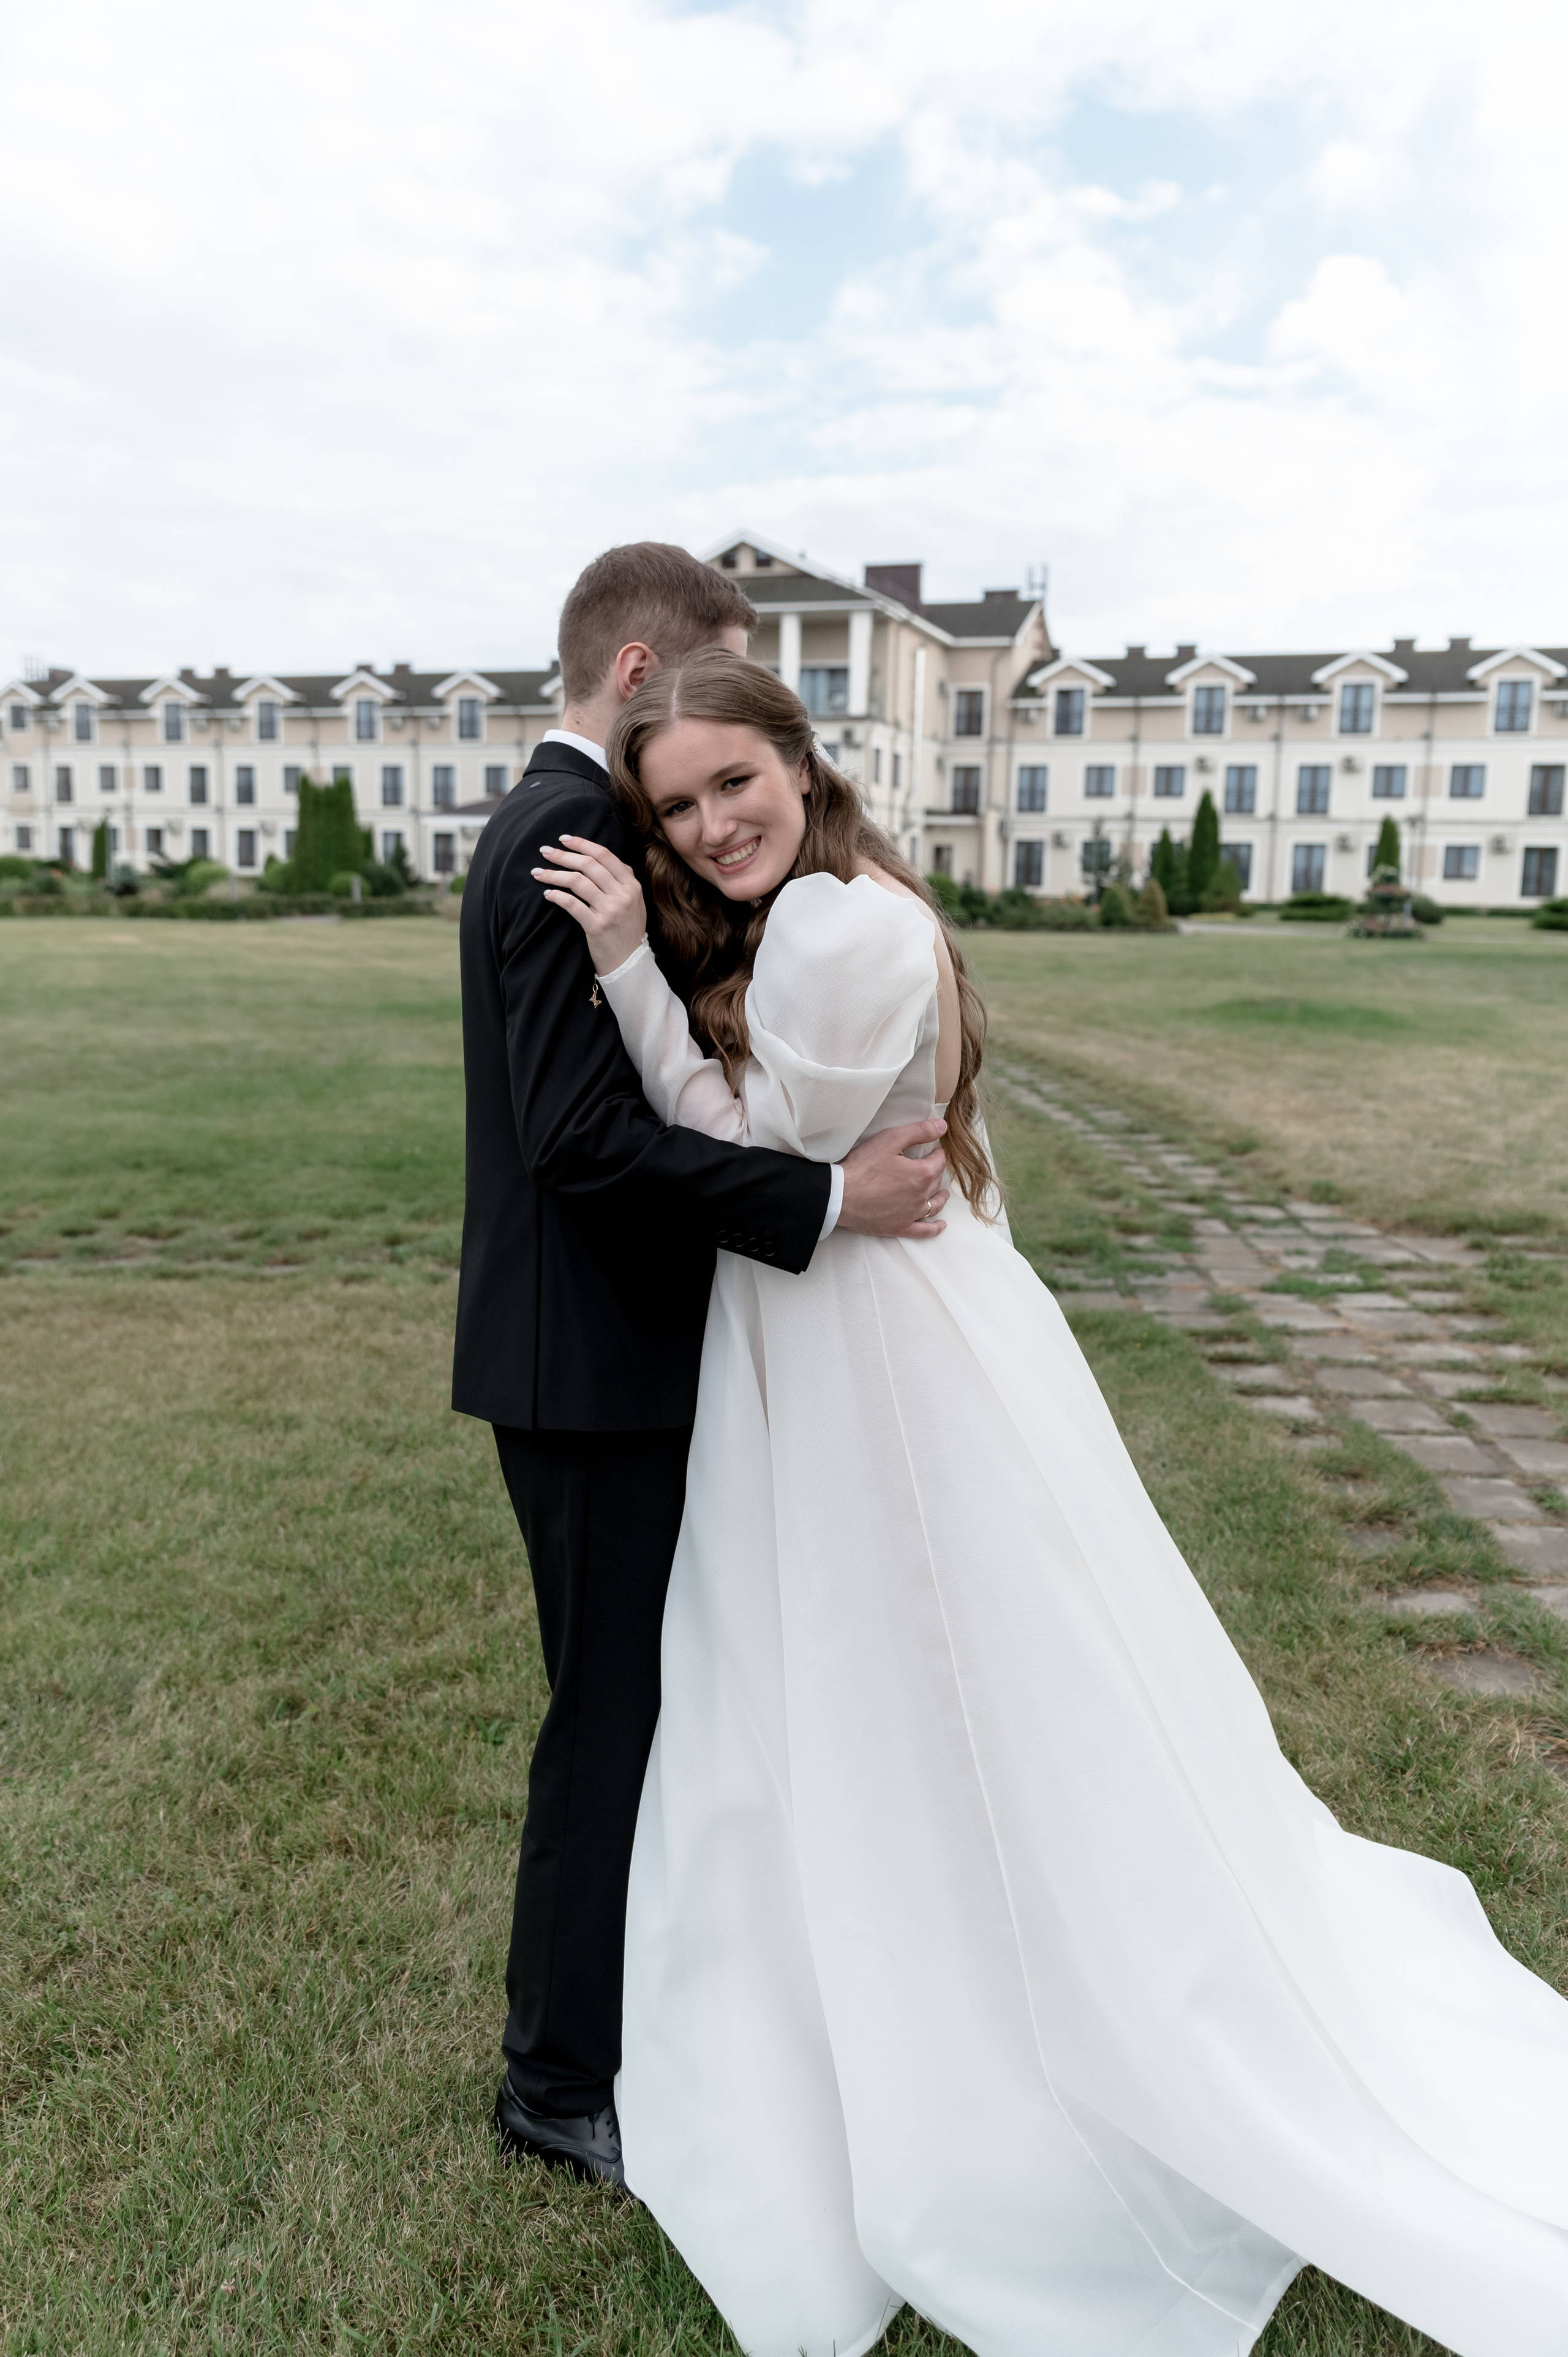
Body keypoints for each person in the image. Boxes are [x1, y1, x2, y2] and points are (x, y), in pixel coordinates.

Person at [534, 645, 1568, 2357]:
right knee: (886, 1673)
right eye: (677, 805)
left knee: (933, 1669)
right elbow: (794, 1155)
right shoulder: (843, 908)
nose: (714, 824)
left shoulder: (841, 925)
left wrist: (635, 974)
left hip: (873, 1347)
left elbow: (757, 1144)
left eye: (737, 783)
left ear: (806, 761)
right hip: (851, 1322)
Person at [451, 545, 948, 2189]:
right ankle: (552, 2082)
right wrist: (822, 1200)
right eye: (701, 720)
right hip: (589, 1364)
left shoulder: (571, 824)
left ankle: (633, 2025)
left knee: (646, 1704)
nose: (704, 801)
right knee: (608, 1716)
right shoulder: (563, 831)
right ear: (641, 665)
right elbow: (585, 1141)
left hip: (609, 1353)